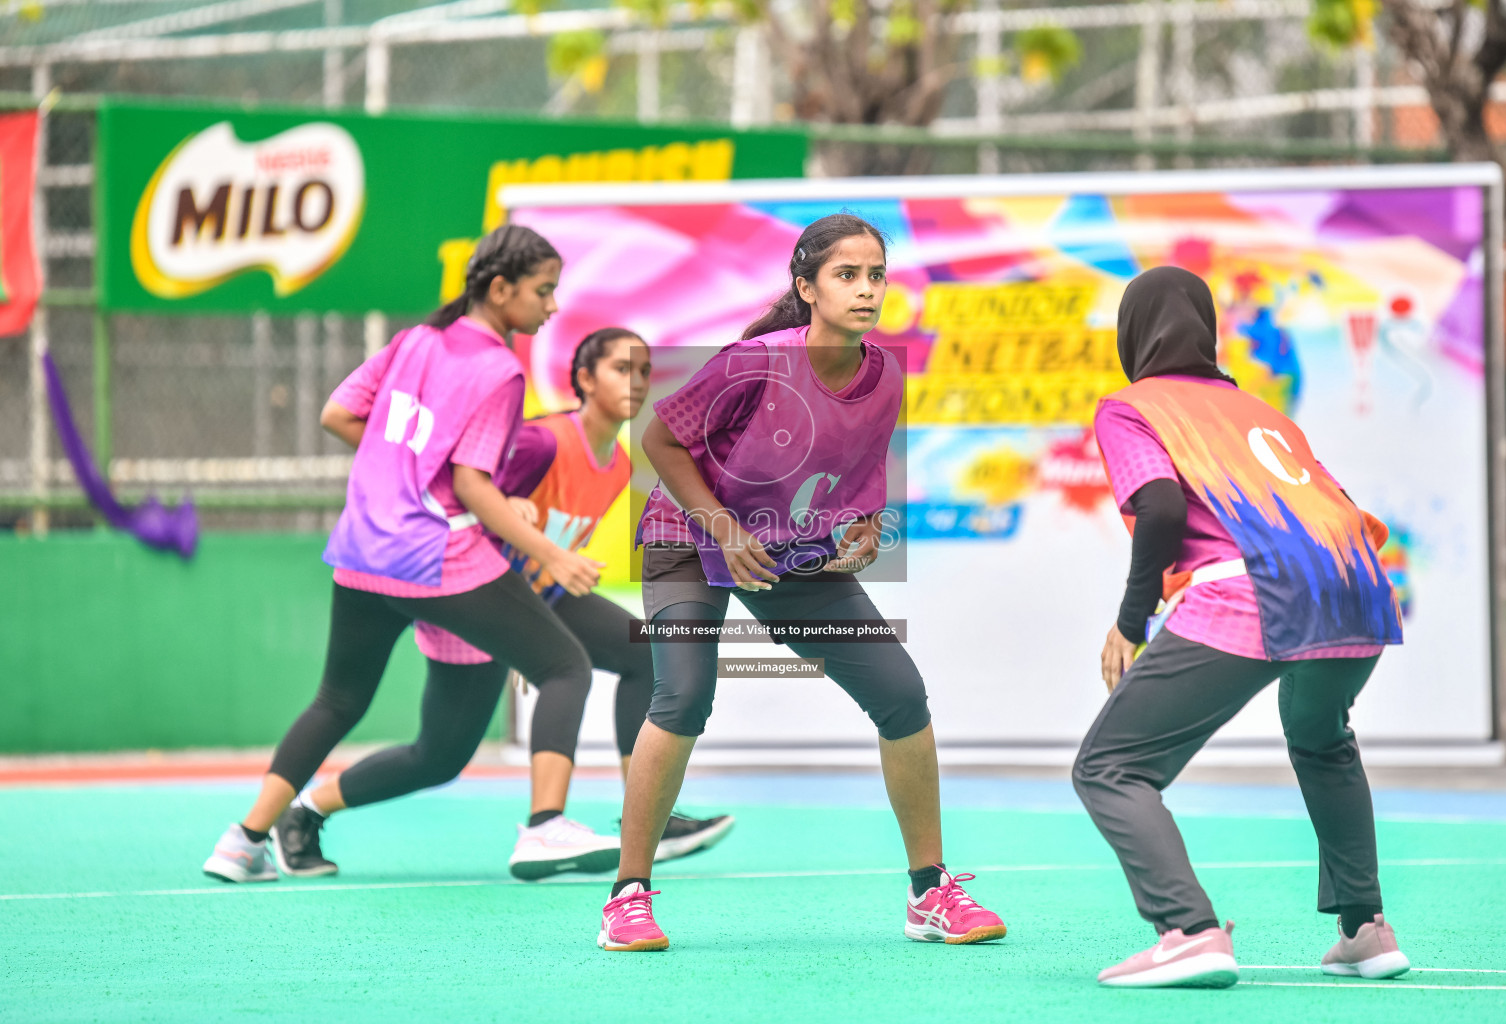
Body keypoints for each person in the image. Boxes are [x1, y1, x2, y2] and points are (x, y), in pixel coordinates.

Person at [596, 213, 1007, 952]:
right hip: (688, 537)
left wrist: (864, 532)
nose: (866, 289)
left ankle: (929, 893)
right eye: (847, 275)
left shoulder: (884, 377)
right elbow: (660, 438)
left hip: (785, 552)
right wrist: (722, 528)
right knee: (684, 695)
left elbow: (859, 489)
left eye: (876, 275)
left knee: (901, 693)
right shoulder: (753, 361)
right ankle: (628, 897)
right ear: (806, 287)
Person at [202, 224, 599, 884]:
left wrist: (403, 471)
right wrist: (549, 554)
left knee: (345, 704)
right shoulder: (500, 370)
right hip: (434, 558)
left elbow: (338, 414)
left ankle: (244, 841)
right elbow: (472, 484)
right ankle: (544, 828)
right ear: (500, 290)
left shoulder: (415, 340)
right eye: (544, 291)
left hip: (361, 552)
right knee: (565, 666)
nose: (551, 307)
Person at [268, 328, 734, 881]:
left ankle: (652, 814)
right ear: (583, 379)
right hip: (476, 593)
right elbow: (467, 505)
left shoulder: (616, 466)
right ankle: (305, 811)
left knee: (640, 652)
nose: (635, 383)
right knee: (438, 756)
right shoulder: (540, 443)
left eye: (643, 372)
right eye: (620, 369)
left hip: (539, 597)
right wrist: (522, 635)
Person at [1076, 266, 1409, 987]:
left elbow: (1162, 508)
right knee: (1323, 741)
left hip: (1256, 590)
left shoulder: (1132, 407)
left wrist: (1130, 623)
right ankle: (1366, 930)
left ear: (1132, 335)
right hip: (1360, 585)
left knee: (1111, 767)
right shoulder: (1262, 414)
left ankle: (1188, 931)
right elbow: (1343, 507)